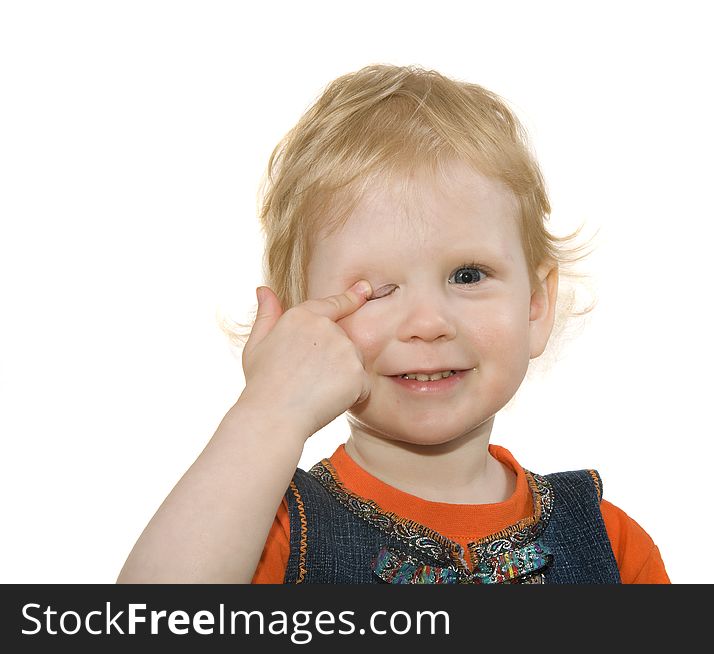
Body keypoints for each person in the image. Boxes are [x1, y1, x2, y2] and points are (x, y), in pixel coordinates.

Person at [117, 64, 669, 584]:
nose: (428, 323)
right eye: (377, 290)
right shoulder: (266, 536)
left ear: (535, 307)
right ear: (302, 327)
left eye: (468, 274)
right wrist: (270, 411)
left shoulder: (611, 546)